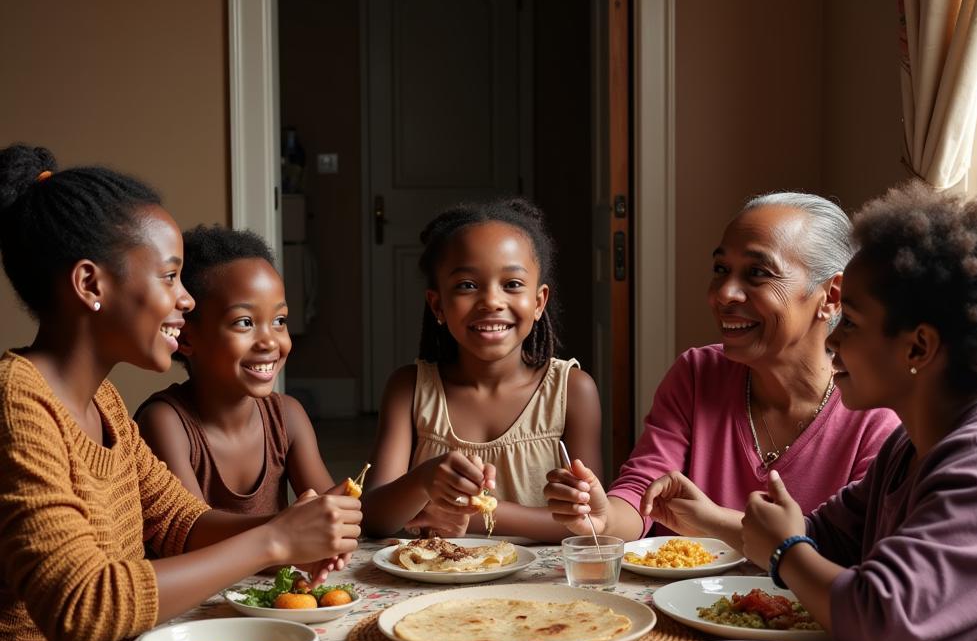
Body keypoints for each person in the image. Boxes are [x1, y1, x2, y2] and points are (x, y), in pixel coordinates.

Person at [651, 184, 977, 641]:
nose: (830, 343)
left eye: (848, 324)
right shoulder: (911, 450)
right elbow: (823, 536)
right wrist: (784, 538)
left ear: (917, 349)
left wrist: (788, 550)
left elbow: (882, 621)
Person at [0, 146, 361, 641]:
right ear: (91, 285)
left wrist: (294, 531)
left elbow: (180, 524)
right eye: (169, 277)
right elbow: (85, 607)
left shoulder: (105, 401)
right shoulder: (16, 401)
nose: (187, 299)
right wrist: (274, 538)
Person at [544, 191, 899, 541]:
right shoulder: (698, 373)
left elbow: (855, 549)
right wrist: (604, 517)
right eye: (720, 269)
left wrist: (713, 521)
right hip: (673, 601)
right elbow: (642, 491)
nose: (724, 293)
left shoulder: (875, 413)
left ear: (831, 296)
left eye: (758, 273)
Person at [361, 198, 603, 541]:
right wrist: (424, 480)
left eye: (512, 284)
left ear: (538, 302)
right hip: (432, 581)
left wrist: (472, 513)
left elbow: (590, 521)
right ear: (438, 304)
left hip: (538, 589)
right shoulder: (409, 389)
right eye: (467, 285)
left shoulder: (573, 391)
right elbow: (373, 520)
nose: (491, 301)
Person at [136, 225, 357, 518]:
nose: (269, 341)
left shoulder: (287, 418)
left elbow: (326, 512)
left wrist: (338, 512)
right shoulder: (166, 423)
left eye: (279, 320)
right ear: (187, 338)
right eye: (244, 322)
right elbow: (191, 531)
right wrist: (287, 530)